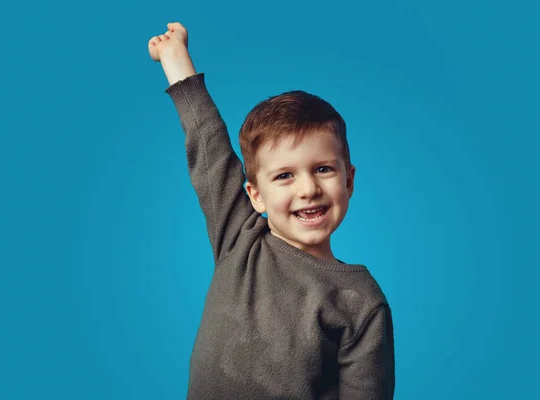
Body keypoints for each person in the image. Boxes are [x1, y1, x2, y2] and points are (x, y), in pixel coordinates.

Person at [148, 22, 395, 400]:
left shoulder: (360, 301)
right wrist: (175, 57)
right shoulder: (239, 237)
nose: (308, 189)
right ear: (256, 196)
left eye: (323, 169)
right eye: (284, 176)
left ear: (349, 180)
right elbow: (207, 143)